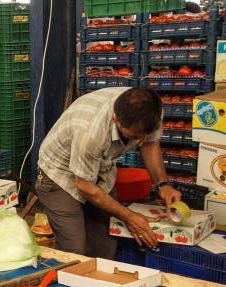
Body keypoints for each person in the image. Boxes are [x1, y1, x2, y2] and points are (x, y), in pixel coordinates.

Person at [36, 87, 182, 259]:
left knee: (105, 244)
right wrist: (129, 216)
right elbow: (85, 186)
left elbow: (149, 144)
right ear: (115, 119)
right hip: (59, 174)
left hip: (101, 170)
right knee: (74, 250)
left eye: (145, 134)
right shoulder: (91, 132)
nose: (141, 140)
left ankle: (97, 284)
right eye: (135, 136)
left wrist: (162, 184)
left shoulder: (151, 111)